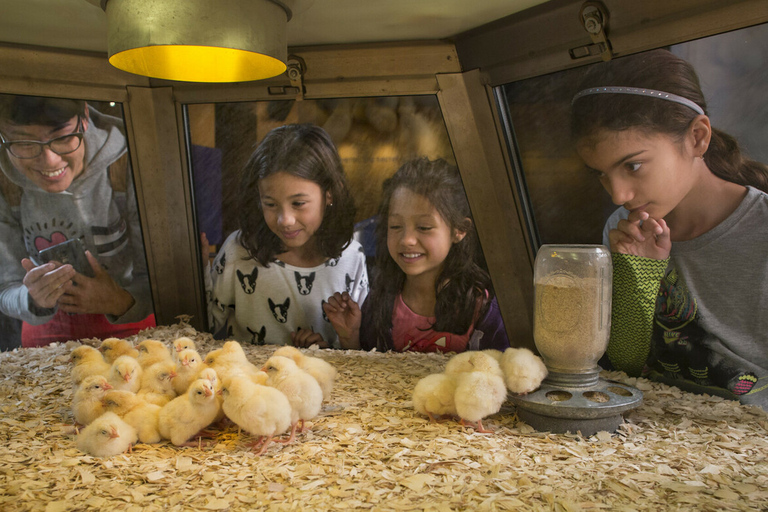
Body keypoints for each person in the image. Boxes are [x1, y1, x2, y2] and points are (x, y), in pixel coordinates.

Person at [571, 49, 768, 409]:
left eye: (632, 166)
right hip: (653, 434)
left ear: (697, 137)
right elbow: (627, 365)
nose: (618, 194)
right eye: (601, 173)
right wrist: (640, 275)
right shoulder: (622, 227)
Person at [0, 94, 155, 348]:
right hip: (45, 335)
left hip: (129, 321)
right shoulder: (4, 183)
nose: (50, 160)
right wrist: (33, 299)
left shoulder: (131, 159)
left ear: (84, 117)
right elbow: (5, 288)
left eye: (62, 137)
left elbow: (161, 282)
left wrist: (117, 300)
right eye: (25, 143)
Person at [205, 123, 368, 349]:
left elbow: (360, 354)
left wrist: (327, 353)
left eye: (298, 203)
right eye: (270, 204)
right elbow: (203, 333)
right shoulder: (238, 250)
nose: (285, 219)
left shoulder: (352, 256)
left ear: (329, 194)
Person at [323, 157, 510, 353]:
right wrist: (350, 336)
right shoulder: (381, 300)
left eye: (424, 227)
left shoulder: (482, 309)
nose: (407, 240)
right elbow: (369, 373)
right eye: (395, 226)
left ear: (459, 230)